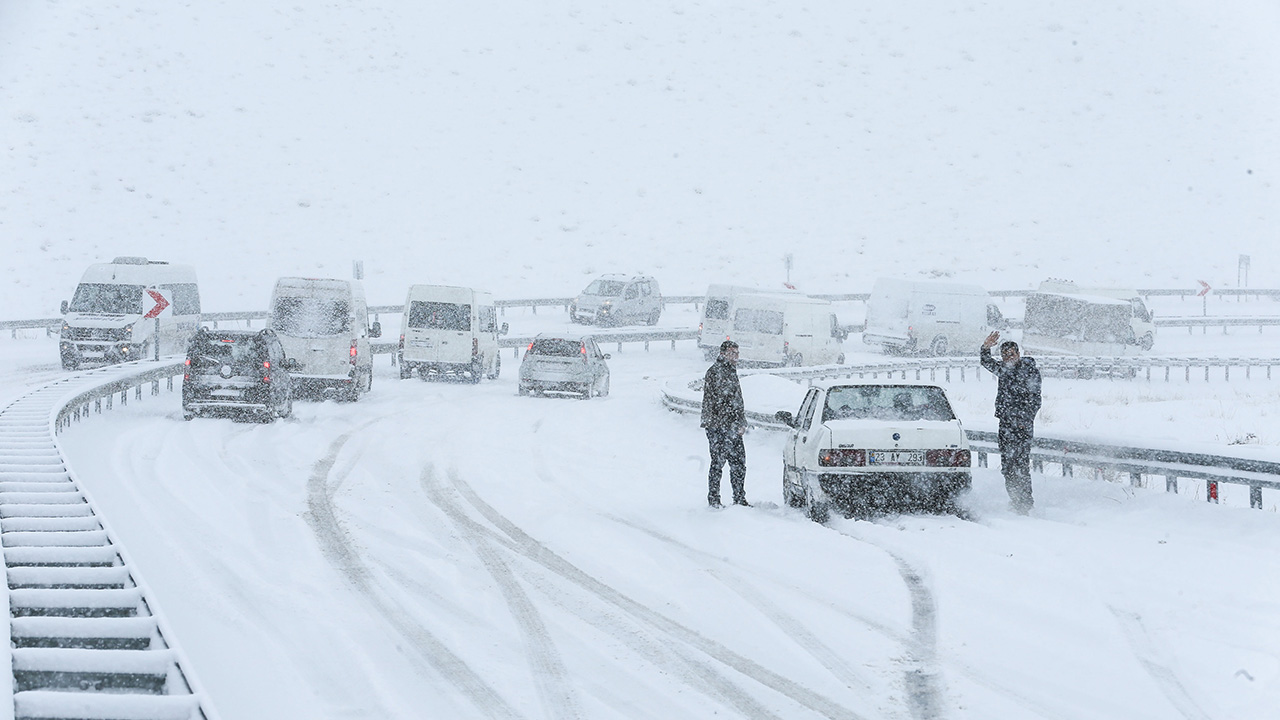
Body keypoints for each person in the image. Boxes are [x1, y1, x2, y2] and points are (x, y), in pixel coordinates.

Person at [979, 332, 1042, 514]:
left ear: (1018, 354)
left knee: (1020, 465)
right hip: (1006, 425)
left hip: (1022, 427)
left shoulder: (1029, 371)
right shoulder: (1004, 370)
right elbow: (987, 362)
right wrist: (985, 347)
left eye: (1012, 354)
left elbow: (1035, 400)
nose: (1009, 358)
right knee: (1007, 466)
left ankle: (1025, 503)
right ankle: (1015, 500)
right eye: (1005, 355)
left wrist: (1023, 420)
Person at [701, 340, 749, 508]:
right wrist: (734, 422)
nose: (736, 357)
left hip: (731, 426)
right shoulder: (717, 372)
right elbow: (724, 401)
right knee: (718, 462)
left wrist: (740, 422)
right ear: (723, 354)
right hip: (718, 426)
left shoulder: (730, 371)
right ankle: (714, 499)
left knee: (738, 463)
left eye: (737, 353)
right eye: (732, 353)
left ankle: (739, 497)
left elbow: (736, 400)